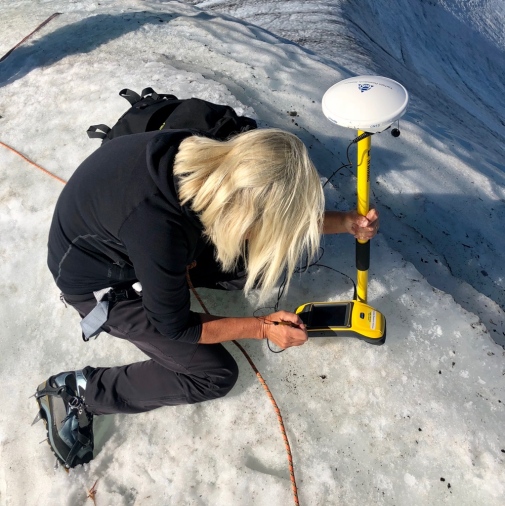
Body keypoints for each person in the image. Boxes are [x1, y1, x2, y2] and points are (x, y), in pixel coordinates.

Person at [34, 128, 379, 468]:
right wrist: (261, 328)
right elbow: (175, 327)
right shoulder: (159, 231)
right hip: (100, 284)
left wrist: (346, 222)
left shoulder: (211, 161)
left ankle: (188, 263)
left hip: (134, 238)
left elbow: (269, 211)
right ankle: (80, 391)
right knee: (213, 374)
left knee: (249, 264)